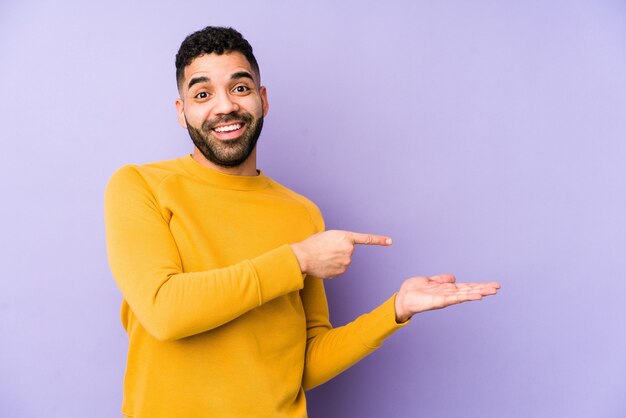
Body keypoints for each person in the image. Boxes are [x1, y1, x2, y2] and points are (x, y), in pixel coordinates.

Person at [104, 26, 500, 418]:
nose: (224, 106)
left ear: (262, 100)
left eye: (240, 88)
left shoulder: (301, 212)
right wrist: (295, 260)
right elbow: (164, 312)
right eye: (202, 94)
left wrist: (394, 310)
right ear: (181, 111)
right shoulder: (141, 186)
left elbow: (303, 362)